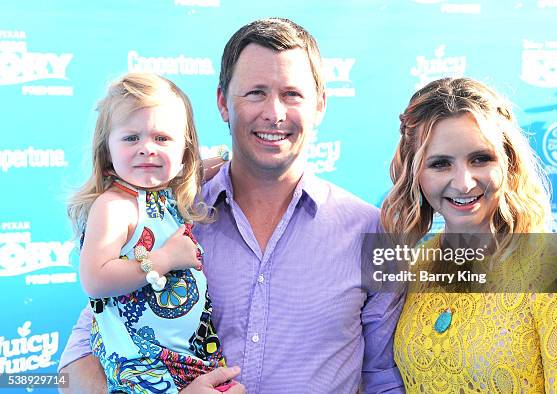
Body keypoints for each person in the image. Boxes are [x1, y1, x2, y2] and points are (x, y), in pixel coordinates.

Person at [59, 18, 405, 393]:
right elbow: (77, 364)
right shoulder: (165, 215)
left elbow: (383, 377)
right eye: (255, 92)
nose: (274, 112)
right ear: (223, 102)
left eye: (292, 94)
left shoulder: (375, 232)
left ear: (320, 105)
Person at [381, 77, 557, 392]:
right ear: (414, 174)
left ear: (509, 162)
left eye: (480, 159)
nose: (463, 183)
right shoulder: (415, 266)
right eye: (440, 164)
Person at [65, 72, 240, 393]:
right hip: (138, 362)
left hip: (183, 355)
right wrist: (162, 259)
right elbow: (95, 279)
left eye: (162, 138)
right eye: (131, 138)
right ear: (107, 148)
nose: (147, 149)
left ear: (185, 150)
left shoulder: (163, 193)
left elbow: (191, 169)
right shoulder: (115, 205)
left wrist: (230, 159)